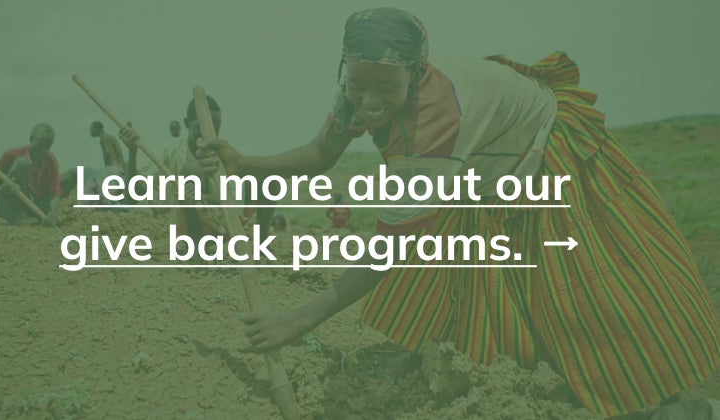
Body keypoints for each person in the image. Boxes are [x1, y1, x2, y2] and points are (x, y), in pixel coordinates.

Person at [199, 7, 720, 418]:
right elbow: (322, 154)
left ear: (416, 71)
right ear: (345, 70)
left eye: (385, 86)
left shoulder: (433, 127)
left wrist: (298, 318)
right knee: (479, 277)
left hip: (545, 151)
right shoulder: (356, 88)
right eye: (358, 83)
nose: (369, 99)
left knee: (582, 286)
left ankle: (653, 399)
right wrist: (245, 162)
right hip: (484, 166)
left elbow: (389, 250)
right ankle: (503, 370)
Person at [121, 95, 275, 242]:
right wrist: (132, 152)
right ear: (187, 123)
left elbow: (234, 207)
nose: (209, 134)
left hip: (226, 224)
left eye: (216, 128)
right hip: (189, 230)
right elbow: (133, 197)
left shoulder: (225, 151)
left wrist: (204, 198)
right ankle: (195, 250)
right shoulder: (171, 150)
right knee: (192, 169)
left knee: (269, 177)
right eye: (201, 127)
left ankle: (261, 247)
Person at [0, 123, 62, 226]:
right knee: (22, 163)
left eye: (45, 148)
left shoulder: (50, 160)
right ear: (31, 139)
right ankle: (17, 216)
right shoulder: (12, 155)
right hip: (7, 204)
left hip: (31, 204)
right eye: (38, 146)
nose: (41, 152)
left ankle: (33, 215)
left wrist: (53, 213)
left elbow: (55, 193)